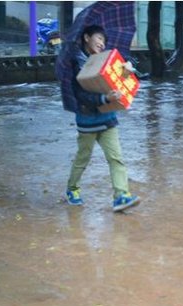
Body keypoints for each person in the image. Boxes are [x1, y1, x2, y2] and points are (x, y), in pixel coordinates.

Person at [65, 25, 140, 212]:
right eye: (98, 38)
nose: (101, 43)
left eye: (104, 41)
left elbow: (122, 74)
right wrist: (105, 98)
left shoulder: (106, 60)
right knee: (83, 158)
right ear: (86, 37)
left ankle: (121, 196)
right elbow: (81, 96)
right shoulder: (77, 64)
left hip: (108, 119)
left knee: (116, 159)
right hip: (87, 121)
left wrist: (128, 66)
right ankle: (72, 188)